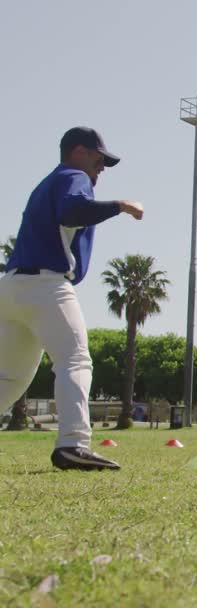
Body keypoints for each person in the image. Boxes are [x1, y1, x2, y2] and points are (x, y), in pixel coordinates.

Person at [0, 127, 144, 470]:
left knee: (10, 378)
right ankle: (73, 443)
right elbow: (73, 212)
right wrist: (120, 206)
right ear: (79, 151)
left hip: (11, 288)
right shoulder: (73, 176)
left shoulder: (47, 183)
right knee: (75, 361)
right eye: (99, 158)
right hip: (45, 286)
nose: (101, 168)